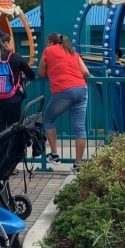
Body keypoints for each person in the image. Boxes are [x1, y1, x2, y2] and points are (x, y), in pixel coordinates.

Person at [37, 33, 90, 171]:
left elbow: (41, 73)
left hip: (63, 90)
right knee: (80, 128)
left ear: (50, 42)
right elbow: (85, 71)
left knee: (48, 118)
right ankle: (78, 164)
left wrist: (53, 71)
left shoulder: (48, 51)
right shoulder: (72, 52)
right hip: (82, 89)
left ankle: (54, 154)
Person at [0, 31, 36, 134]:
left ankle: (2, 149)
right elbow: (31, 74)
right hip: (13, 98)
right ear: (6, 43)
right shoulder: (16, 57)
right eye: (11, 43)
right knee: (14, 128)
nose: (12, 45)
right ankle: (13, 149)